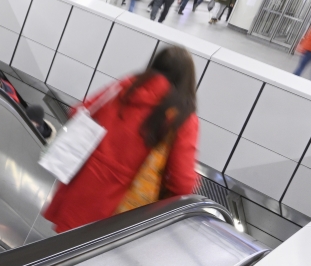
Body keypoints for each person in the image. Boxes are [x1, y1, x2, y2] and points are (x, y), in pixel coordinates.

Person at [42, 46, 200, 232]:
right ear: (187, 81)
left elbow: (78, 111)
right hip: (118, 211)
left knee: (56, 253)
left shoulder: (126, 86)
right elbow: (181, 182)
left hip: (79, 191)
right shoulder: (183, 118)